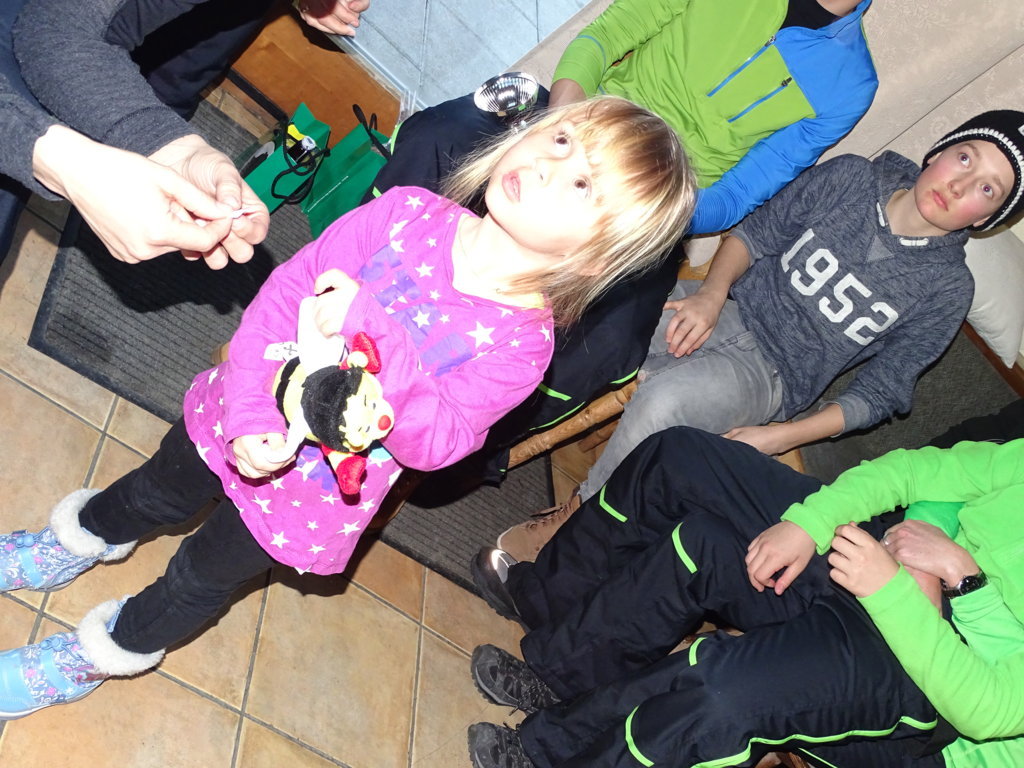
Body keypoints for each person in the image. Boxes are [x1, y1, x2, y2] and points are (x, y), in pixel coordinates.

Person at [0, 96, 695, 718]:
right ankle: (77, 538)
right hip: (237, 406)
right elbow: (285, 292)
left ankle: (103, 652)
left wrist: (376, 331)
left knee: (196, 579)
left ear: (594, 257)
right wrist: (249, 412)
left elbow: (438, 443)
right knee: (153, 489)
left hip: (310, 499)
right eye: (561, 139)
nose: (548, 164)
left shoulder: (522, 346)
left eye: (582, 184)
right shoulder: (406, 212)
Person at [497, 108, 1024, 562]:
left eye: (987, 189)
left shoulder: (948, 290)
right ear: (940, 151)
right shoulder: (852, 177)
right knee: (607, 322)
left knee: (664, 401)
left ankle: (575, 519)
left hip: (774, 376)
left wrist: (782, 436)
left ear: (989, 218)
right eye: (966, 158)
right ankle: (495, 422)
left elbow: (883, 392)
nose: (960, 185)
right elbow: (756, 233)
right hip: (729, 304)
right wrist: (711, 294)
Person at [364, 0, 878, 463]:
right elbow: (603, 37)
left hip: (657, 209)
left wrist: (646, 214)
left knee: (611, 342)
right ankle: (354, 280)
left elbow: (741, 192)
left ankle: (452, 438)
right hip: (587, 125)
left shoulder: (851, 84)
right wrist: (561, 125)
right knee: (445, 135)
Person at [465, 426, 1024, 767]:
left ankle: (555, 750)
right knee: (679, 460)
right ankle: (556, 659)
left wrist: (960, 580)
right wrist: (813, 524)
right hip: (901, 559)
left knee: (726, 690)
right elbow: (921, 471)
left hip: (941, 684)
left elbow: (989, 708)